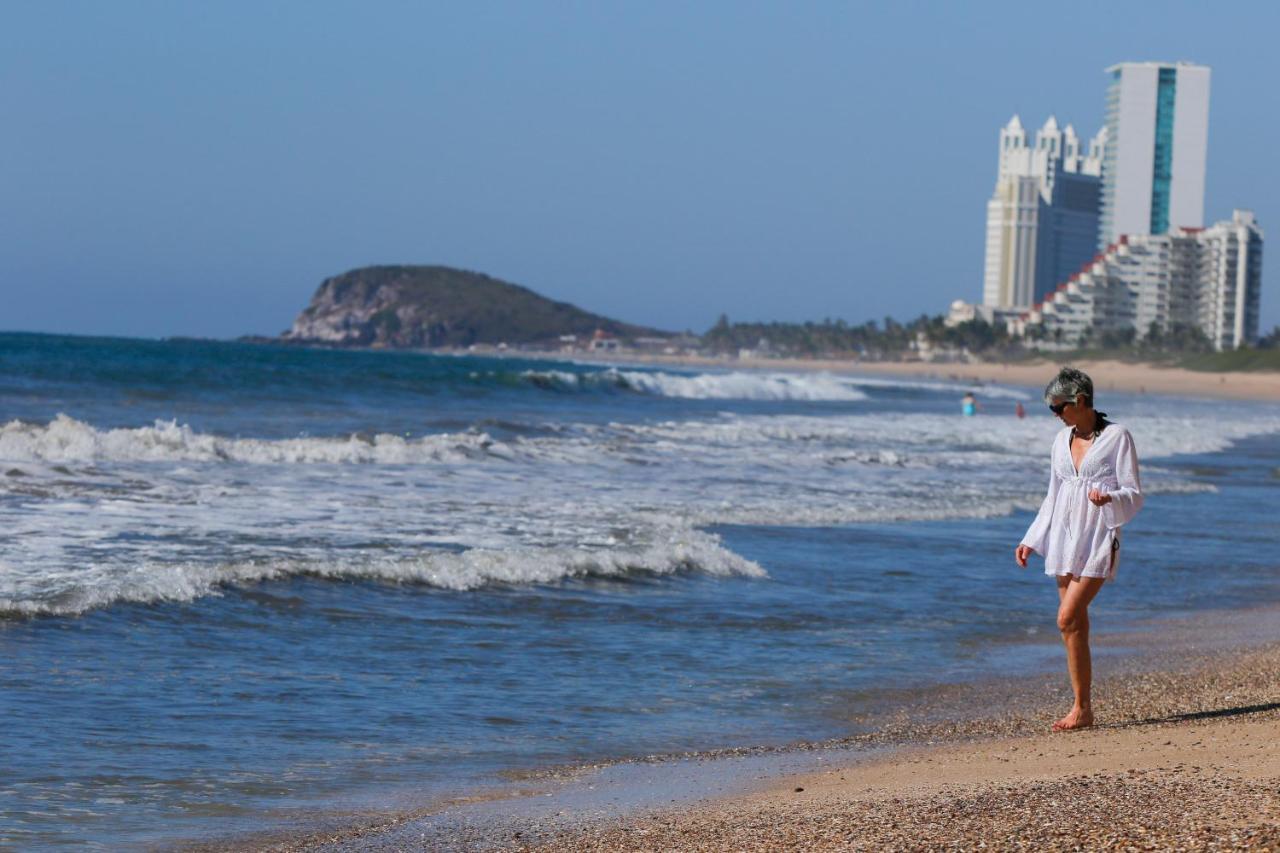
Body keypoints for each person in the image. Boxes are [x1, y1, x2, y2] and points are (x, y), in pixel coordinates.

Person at [1015, 367, 1143, 731]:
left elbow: (1134, 495)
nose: (1056, 415)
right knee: (1076, 627)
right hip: (1063, 539)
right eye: (1052, 410)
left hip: (1099, 536)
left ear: (1081, 400)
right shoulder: (1060, 441)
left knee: (1066, 618)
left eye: (1059, 408)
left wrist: (1109, 498)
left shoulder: (1117, 437)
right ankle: (1082, 708)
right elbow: (1053, 496)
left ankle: (1082, 707)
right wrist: (1031, 538)